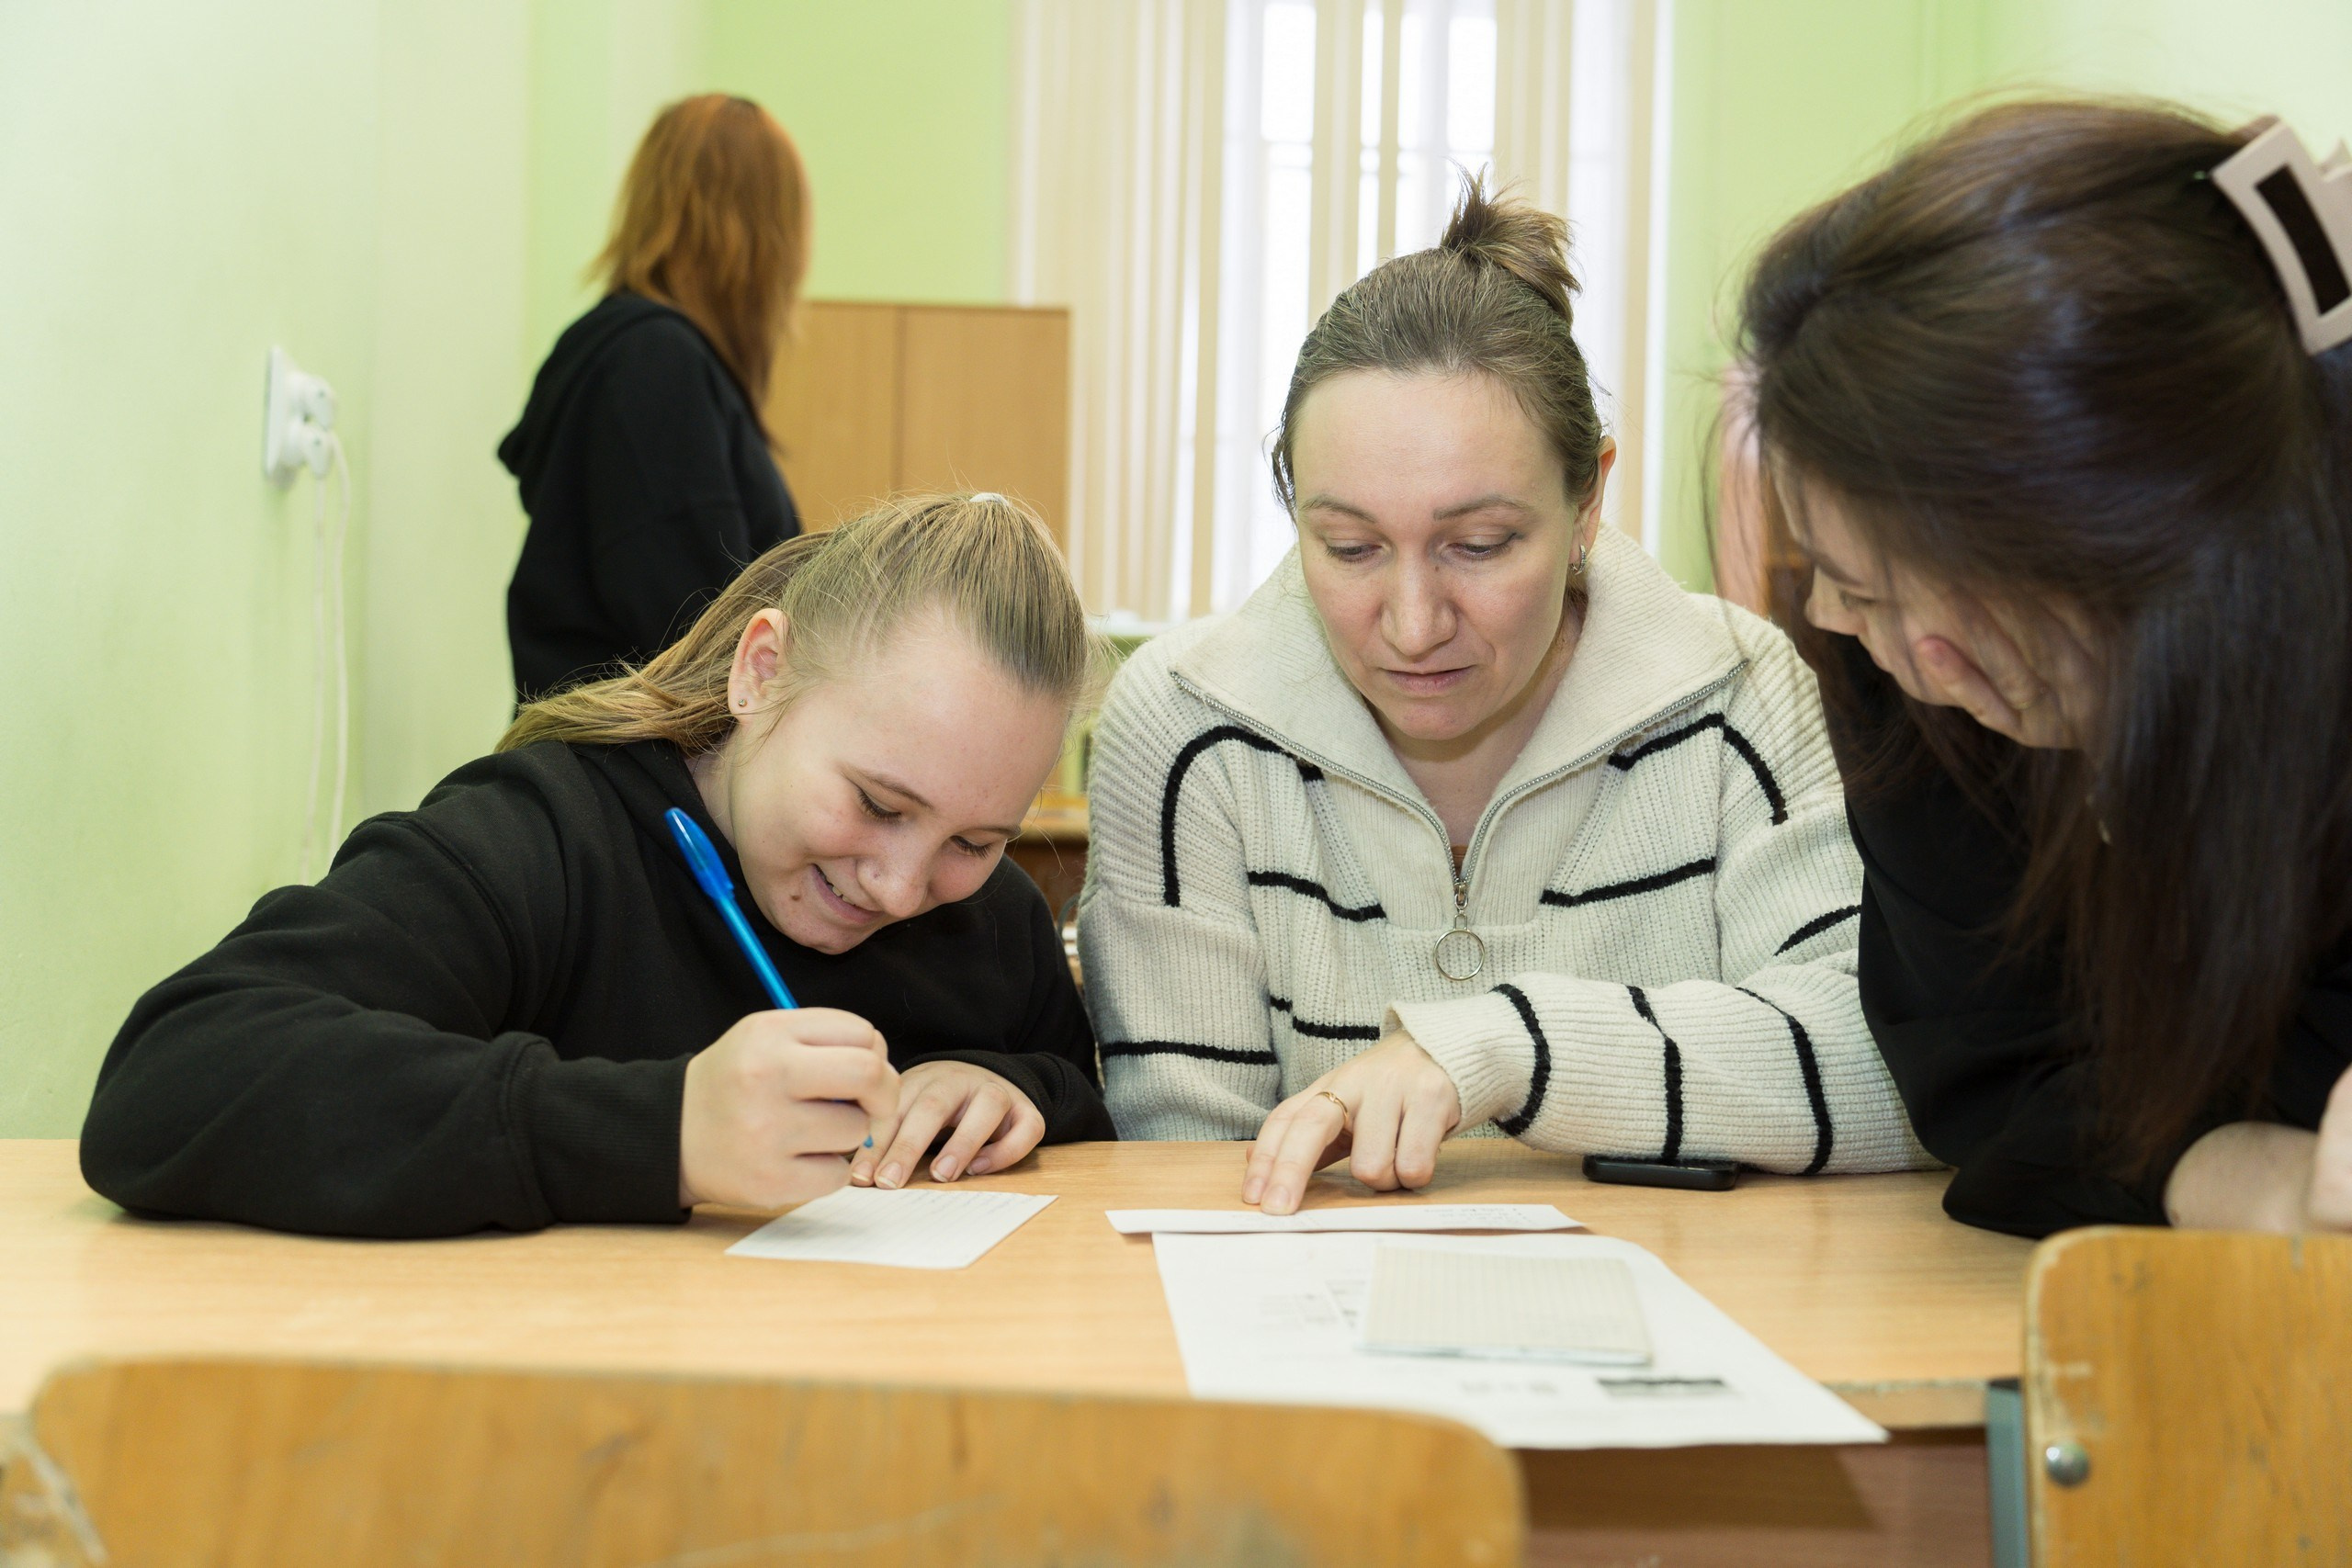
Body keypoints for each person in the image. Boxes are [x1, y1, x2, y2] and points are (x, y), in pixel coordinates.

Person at [1080, 180, 1927, 1215]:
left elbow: (1891, 1077)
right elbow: (1177, 1168)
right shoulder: (1184, 725)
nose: (1412, 622)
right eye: (1346, 548)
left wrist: (1503, 1045)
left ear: (1588, 501)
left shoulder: (1738, 693)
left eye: (1478, 546)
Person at [82, 497, 1114, 1239]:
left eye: (975, 843)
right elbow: (171, 1082)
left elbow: (1083, 1104)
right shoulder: (540, 840)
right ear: (762, 674)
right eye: (878, 805)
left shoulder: (995, 923)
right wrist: (660, 1131)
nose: (898, 886)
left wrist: (1006, 1086)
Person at [1737, 99, 2352, 1238]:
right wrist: (2259, 1182)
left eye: (1927, 589)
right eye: (1845, 583)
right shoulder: (1885, 656)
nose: (1893, 651)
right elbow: (1991, 1071)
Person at [500, 94, 808, 701]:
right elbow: (704, 640)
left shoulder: (646, 363)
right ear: (760, 238)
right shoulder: (657, 369)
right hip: (628, 777)